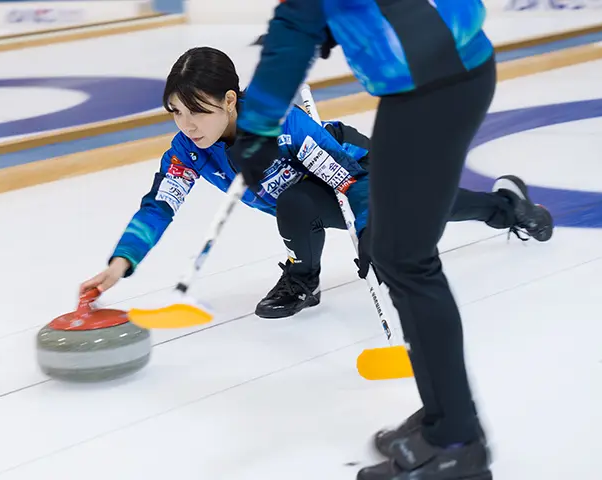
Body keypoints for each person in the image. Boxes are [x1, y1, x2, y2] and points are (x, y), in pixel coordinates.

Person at [225, 1, 513, 479]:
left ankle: (457, 442)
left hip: (436, 82)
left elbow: (296, 25)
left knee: (407, 259)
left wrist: (256, 128)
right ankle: (444, 418)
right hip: (431, 78)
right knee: (399, 256)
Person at [81, 47, 552, 328]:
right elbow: (158, 208)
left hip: (355, 169)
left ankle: (504, 206)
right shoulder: (189, 151)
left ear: (229, 100)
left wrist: (371, 237)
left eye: (197, 111)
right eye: (175, 113)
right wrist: (121, 263)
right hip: (304, 198)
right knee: (297, 202)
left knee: (425, 206)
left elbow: (349, 181)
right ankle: (303, 279)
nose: (187, 125)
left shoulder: (284, 127)